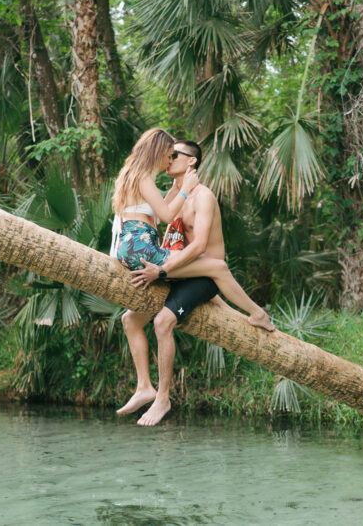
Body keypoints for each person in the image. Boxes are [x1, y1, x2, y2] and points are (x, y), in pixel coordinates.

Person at [112, 134, 275, 426]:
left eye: (175, 155)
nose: (169, 159)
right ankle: (143, 387)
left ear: (191, 162)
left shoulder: (203, 195)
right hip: (179, 272)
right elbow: (161, 225)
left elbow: (199, 247)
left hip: (200, 274)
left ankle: (163, 398)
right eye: (168, 155)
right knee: (130, 320)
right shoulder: (174, 195)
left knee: (164, 320)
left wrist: (160, 272)